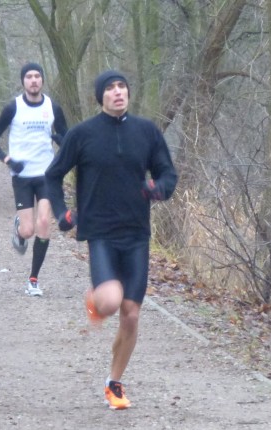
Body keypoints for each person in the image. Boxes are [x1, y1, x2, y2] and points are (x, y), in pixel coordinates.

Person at [45, 70, 177, 410]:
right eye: (110, 88)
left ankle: (114, 384)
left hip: (136, 234)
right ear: (100, 97)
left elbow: (168, 173)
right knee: (110, 301)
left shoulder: (146, 132)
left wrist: (159, 189)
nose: (117, 93)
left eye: (122, 87)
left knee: (131, 314)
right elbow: (52, 176)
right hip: (100, 232)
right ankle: (97, 301)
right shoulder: (82, 135)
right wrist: (62, 213)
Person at [0, 62, 68, 297]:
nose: (33, 80)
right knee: (29, 230)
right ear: (23, 81)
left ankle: (33, 280)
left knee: (44, 224)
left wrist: (59, 139)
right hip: (21, 176)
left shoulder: (53, 107)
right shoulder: (13, 107)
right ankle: (19, 229)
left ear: (42, 80)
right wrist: (8, 160)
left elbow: (68, 139)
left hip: (46, 175)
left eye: (37, 76)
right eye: (29, 77)